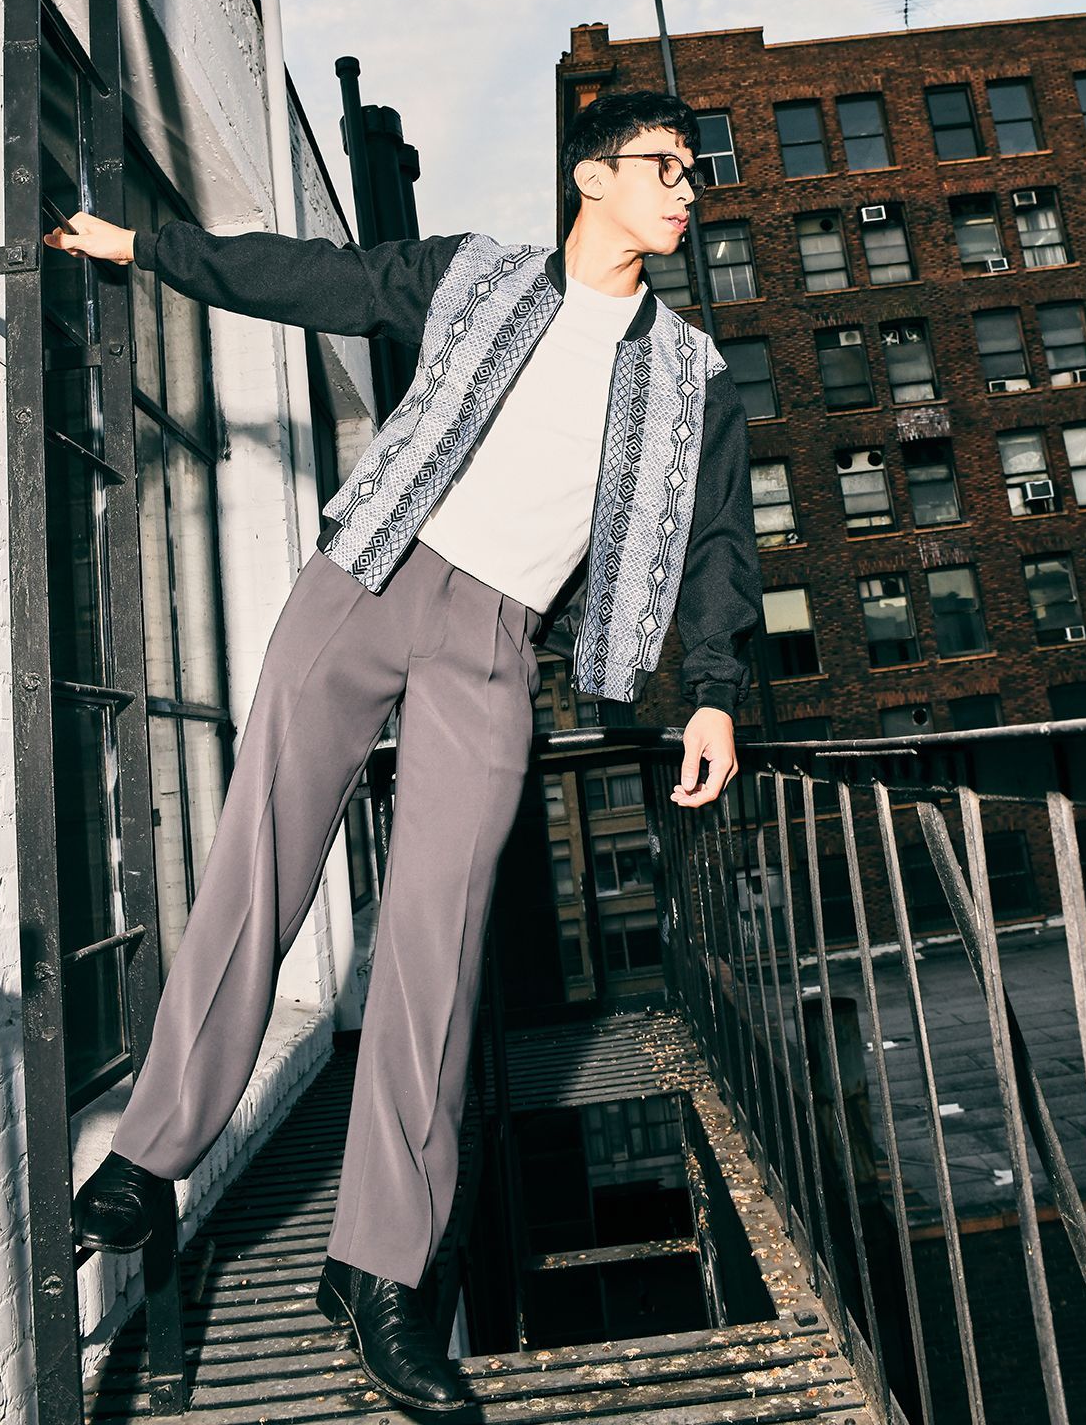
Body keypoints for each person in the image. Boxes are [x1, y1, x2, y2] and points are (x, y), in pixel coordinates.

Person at [45, 89, 763, 1413]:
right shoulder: (472, 277)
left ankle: (380, 1271)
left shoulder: (691, 375)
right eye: (665, 168)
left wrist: (714, 689)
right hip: (365, 580)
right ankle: (150, 1157)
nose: (688, 191)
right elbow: (313, 278)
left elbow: (719, 541)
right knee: (262, 857)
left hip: (492, 648)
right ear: (592, 179)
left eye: (693, 177)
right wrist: (147, 252)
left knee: (437, 943)